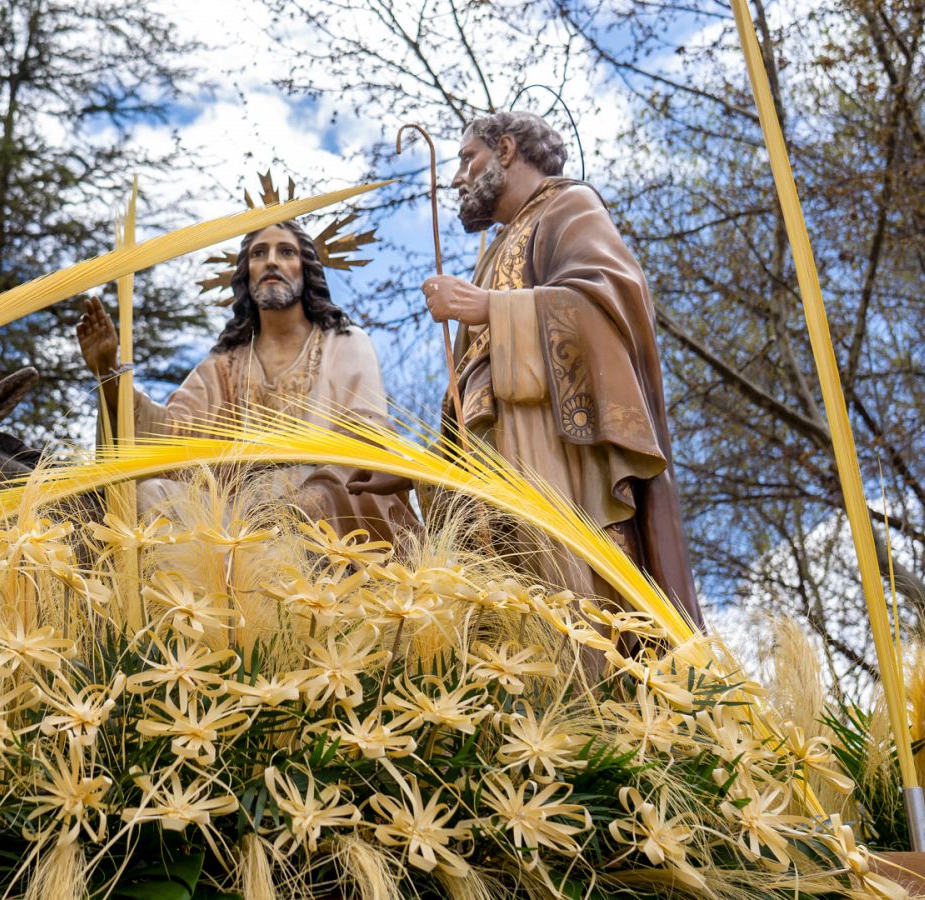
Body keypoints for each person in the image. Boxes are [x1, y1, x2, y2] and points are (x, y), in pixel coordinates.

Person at [360, 111, 702, 625]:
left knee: (564, 600)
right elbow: (471, 395)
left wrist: (489, 307)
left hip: (550, 450)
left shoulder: (570, 204)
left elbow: (611, 300)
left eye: (467, 159)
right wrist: (418, 471)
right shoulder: (497, 248)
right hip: (490, 461)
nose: (456, 178)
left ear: (505, 150)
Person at [75, 219, 417, 544]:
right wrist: (109, 374)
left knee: (305, 508)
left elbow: (366, 435)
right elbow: (171, 438)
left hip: (321, 504)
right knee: (152, 494)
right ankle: (204, 584)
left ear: (306, 268)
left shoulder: (344, 342)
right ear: (246, 273)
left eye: (286, 252)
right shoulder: (225, 365)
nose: (271, 262)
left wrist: (309, 496)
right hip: (236, 514)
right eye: (259, 253)